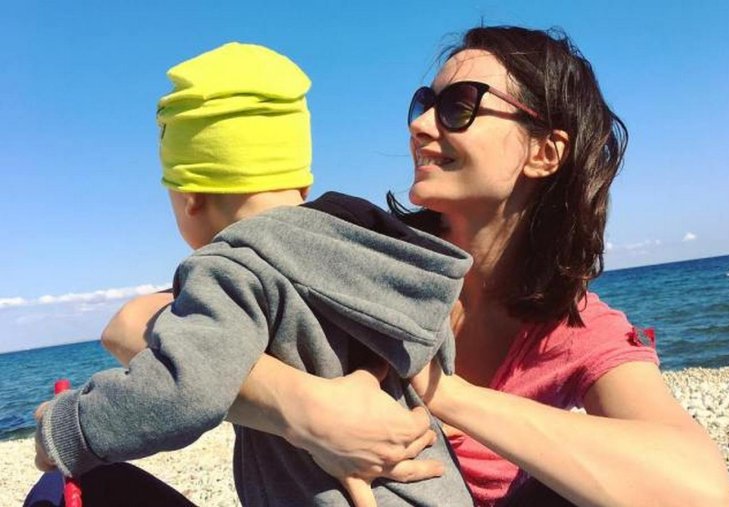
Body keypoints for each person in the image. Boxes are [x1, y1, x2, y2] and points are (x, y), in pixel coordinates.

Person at [170, 26, 729, 506]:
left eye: (459, 106)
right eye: (424, 103)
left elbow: (699, 490)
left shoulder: (572, 329)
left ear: (544, 152)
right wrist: (300, 409)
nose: (419, 125)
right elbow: (139, 325)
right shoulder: (364, 253)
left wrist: (445, 393)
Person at [30, 42, 476, 506]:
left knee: (58, 494)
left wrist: (65, 428)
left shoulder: (232, 267)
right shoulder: (379, 247)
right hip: (440, 491)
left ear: (191, 198)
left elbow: (183, 391)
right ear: (302, 184)